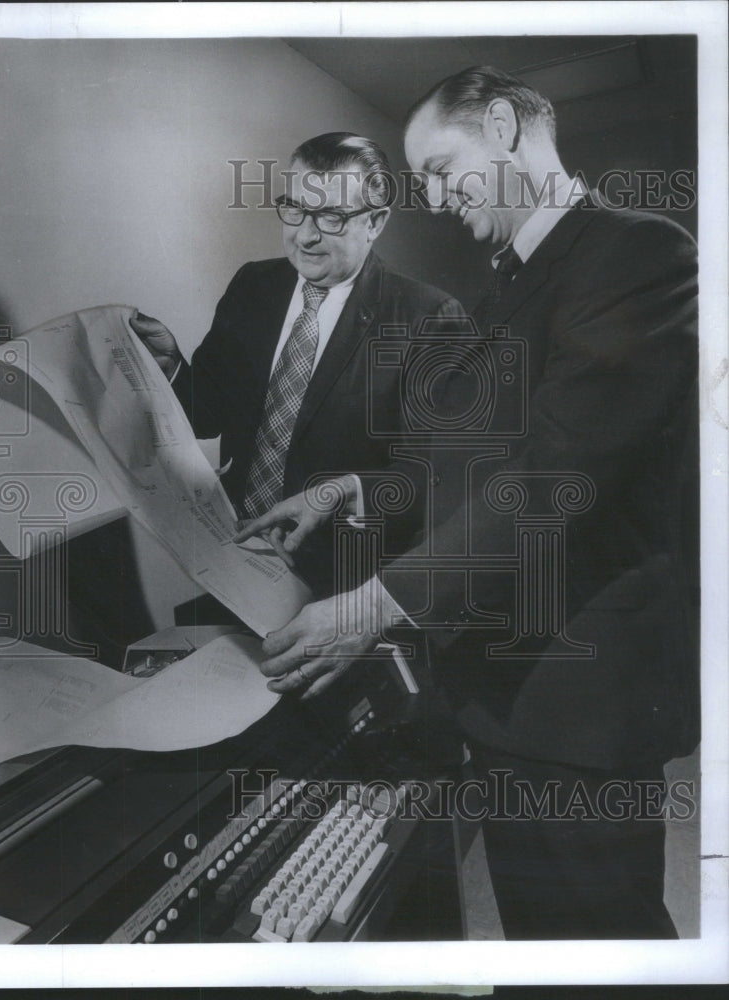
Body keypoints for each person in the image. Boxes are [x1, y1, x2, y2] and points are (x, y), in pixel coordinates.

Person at [237, 67, 699, 939]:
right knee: (539, 939)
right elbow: (457, 468)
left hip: (580, 704)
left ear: (501, 126)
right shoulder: (508, 283)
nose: (438, 199)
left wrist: (374, 603)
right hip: (501, 695)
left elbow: (551, 478)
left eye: (443, 171)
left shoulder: (638, 253)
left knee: (599, 945)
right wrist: (344, 489)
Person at [131, 131, 464, 605]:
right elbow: (206, 412)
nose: (305, 235)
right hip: (234, 555)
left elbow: (431, 478)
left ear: (375, 222)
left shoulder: (427, 317)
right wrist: (170, 366)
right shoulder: (254, 285)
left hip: (343, 586)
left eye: (331, 216)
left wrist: (336, 494)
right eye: (295, 208)